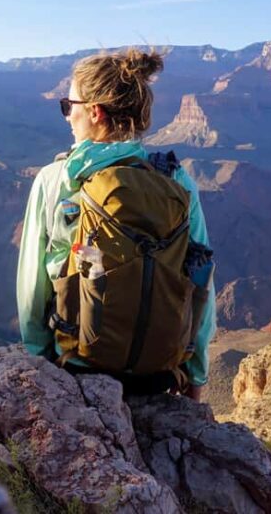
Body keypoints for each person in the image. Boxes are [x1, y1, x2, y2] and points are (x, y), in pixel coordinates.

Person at [16, 48, 216, 401]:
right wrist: (195, 378)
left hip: (78, 370)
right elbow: (200, 280)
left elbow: (32, 291)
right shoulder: (177, 180)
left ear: (95, 112)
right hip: (157, 377)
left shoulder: (56, 180)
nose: (66, 116)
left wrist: (41, 365)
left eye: (68, 105)